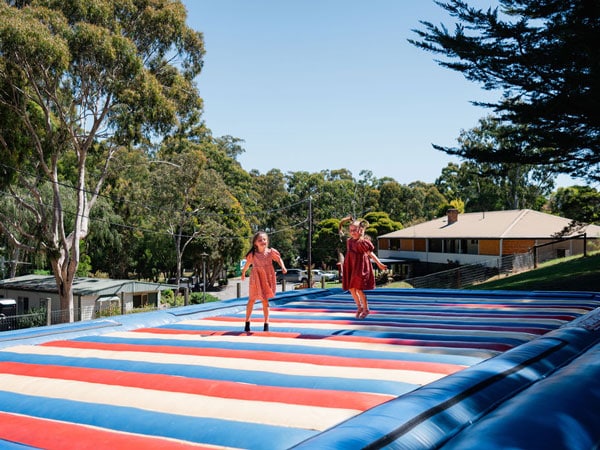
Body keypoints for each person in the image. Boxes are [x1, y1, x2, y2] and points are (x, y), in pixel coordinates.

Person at [339, 215, 387, 319]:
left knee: (359, 289)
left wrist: (379, 264)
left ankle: (366, 308)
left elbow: (370, 254)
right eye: (351, 230)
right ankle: (359, 307)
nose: (352, 232)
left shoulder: (363, 242)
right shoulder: (349, 241)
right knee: (351, 289)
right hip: (351, 267)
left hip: (360, 267)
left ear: (360, 230)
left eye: (355, 230)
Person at [240, 231, 287, 332]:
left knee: (265, 300)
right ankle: (247, 322)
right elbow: (248, 264)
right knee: (251, 300)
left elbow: (279, 259)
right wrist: (243, 272)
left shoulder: (270, 252)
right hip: (256, 278)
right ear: (255, 243)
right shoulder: (253, 254)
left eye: (264, 239)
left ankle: (266, 324)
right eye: (260, 240)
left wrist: (283, 267)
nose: (263, 241)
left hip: (266, 277)